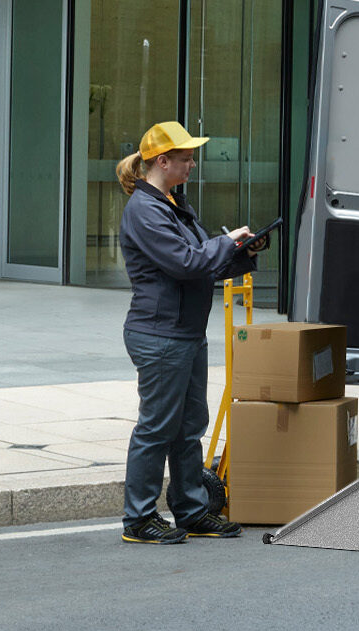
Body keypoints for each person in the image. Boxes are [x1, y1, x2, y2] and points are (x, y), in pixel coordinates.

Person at [114, 121, 268, 544]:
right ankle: (139, 519)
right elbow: (185, 262)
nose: (191, 164)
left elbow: (205, 261)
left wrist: (240, 253)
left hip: (183, 333)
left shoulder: (173, 203)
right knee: (157, 427)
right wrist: (226, 242)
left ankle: (192, 511)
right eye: (184, 158)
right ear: (162, 162)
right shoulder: (145, 210)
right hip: (160, 335)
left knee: (188, 426)